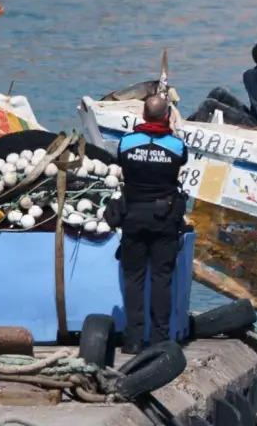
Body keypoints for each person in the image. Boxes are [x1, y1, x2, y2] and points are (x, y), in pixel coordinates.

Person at [111, 94, 186, 353]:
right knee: (162, 278)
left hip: (133, 216)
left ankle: (132, 340)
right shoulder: (176, 146)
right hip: (165, 219)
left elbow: (121, 162)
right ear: (166, 116)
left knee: (134, 279)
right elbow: (182, 160)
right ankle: (160, 339)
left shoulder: (127, 142)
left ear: (143, 115)